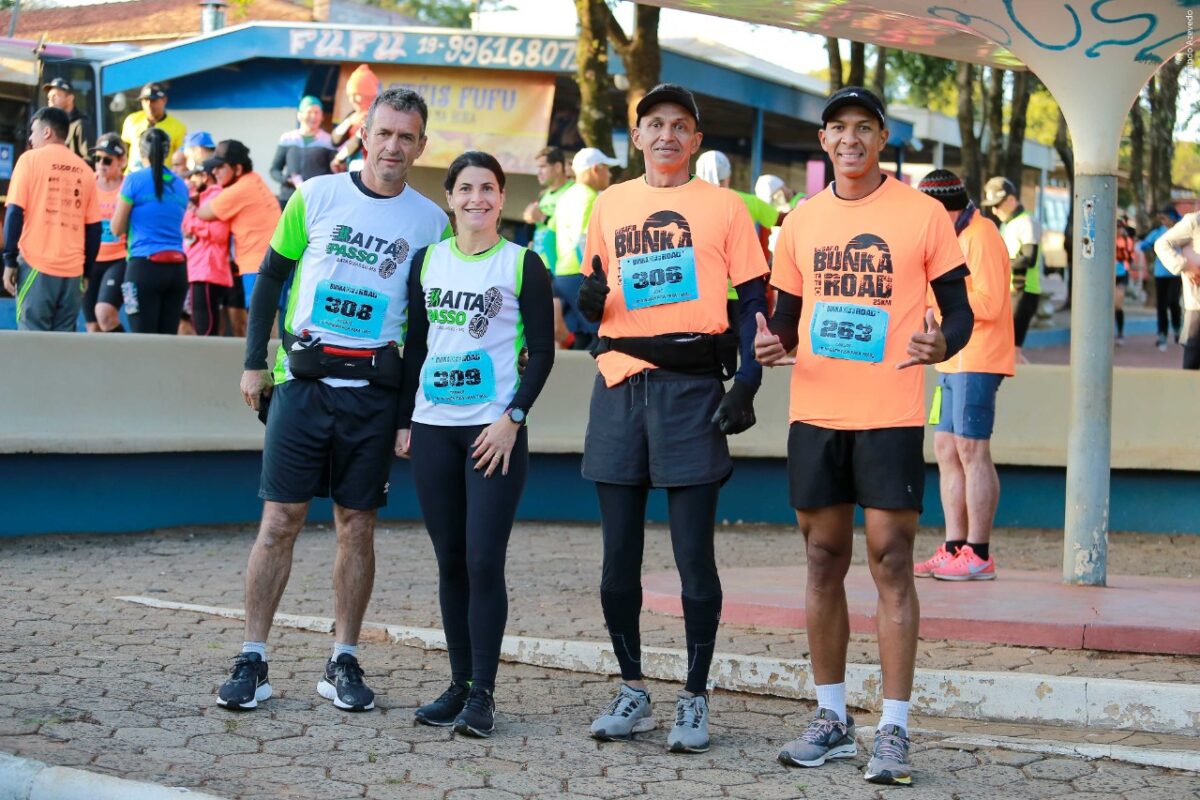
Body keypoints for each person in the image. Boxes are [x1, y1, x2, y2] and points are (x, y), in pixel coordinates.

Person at [757, 87, 973, 786]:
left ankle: (895, 730)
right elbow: (787, 323)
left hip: (890, 410)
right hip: (817, 411)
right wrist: (768, 344)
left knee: (891, 560)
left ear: (881, 138)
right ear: (823, 141)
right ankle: (831, 719)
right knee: (823, 557)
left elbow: (961, 313)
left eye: (863, 128)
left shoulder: (921, 215)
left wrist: (943, 344)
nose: (850, 139)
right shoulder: (800, 220)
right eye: (837, 129)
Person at [216, 88, 449, 713]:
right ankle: (253, 658)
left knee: (357, 527)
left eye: (407, 137)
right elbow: (270, 276)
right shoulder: (316, 194)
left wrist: (407, 416)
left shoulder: (431, 223)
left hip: (374, 396)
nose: (394, 146)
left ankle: (343, 659)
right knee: (279, 522)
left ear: (420, 146)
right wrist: (253, 362)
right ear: (364, 136)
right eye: (385, 133)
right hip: (303, 385)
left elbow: (425, 329)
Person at [576, 83, 769, 755]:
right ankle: (632, 689)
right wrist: (585, 303)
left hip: (692, 391)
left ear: (696, 141)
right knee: (615, 562)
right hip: (620, 386)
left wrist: (748, 377)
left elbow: (751, 302)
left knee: (695, 559)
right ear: (637, 138)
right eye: (654, 124)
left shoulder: (724, 208)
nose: (666, 135)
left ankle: (695, 695)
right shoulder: (609, 202)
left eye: (680, 126)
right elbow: (591, 304)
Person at [397, 151, 555, 737]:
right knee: (450, 561)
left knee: (484, 559)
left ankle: (484, 695)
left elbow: (542, 353)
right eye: (466, 189)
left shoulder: (523, 264)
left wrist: (513, 417)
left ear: (500, 197)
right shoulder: (426, 262)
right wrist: (403, 421)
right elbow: (415, 349)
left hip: (494, 432)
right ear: (449, 198)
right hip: (434, 427)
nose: (477, 199)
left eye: (488, 188)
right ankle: (459, 684)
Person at [913, 169, 1014, 582]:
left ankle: (979, 552)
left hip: (979, 358)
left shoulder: (981, 236)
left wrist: (938, 295)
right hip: (951, 360)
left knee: (972, 452)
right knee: (945, 449)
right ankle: (955, 546)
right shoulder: (949, 236)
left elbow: (988, 303)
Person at [2, 107, 101, 332]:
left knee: (32, 342)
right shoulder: (85, 171)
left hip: (37, 266)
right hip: (73, 273)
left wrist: (9, 260)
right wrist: (86, 273)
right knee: (63, 346)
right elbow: (94, 229)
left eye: (33, 131)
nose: (29, 137)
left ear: (47, 132)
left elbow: (14, 213)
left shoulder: (29, 160)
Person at [109, 128, 190, 335]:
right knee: (167, 342)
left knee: (142, 343)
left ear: (140, 150)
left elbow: (116, 229)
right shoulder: (181, 185)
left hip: (142, 268)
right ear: (167, 152)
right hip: (178, 270)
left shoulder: (134, 180)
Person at [195, 140, 283, 328]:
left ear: (237, 168)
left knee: (262, 324)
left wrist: (191, 201)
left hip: (257, 264)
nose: (214, 172)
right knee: (269, 320)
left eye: (220, 167)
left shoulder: (239, 190)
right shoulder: (254, 179)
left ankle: (263, 358)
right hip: (273, 261)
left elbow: (204, 214)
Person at [549, 147, 618, 350]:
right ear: (596, 169)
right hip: (580, 274)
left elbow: (548, 240)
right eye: (607, 168)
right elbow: (585, 240)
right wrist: (593, 276)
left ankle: (569, 380)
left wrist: (556, 270)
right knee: (603, 333)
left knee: (578, 337)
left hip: (562, 276)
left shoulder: (566, 196)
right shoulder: (590, 197)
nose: (610, 174)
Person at [981, 176, 1040, 364]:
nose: (994, 210)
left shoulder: (1027, 222)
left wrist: (997, 262)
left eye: (998, 205)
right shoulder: (1007, 225)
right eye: (992, 205)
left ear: (1011, 200)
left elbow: (1029, 258)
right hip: (1009, 291)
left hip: (1023, 291)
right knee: (1005, 348)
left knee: (1011, 350)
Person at [522, 146, 573, 345]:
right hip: (539, 266)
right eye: (537, 167)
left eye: (543, 167)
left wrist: (541, 217)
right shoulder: (544, 195)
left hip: (559, 266)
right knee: (536, 323)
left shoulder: (571, 192)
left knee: (557, 327)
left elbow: (572, 227)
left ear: (558, 167)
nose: (539, 172)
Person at [182, 166, 232, 337]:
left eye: (194, 176)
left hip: (209, 268)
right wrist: (195, 222)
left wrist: (194, 225)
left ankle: (208, 363)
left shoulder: (218, 195)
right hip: (196, 267)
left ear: (204, 176)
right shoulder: (198, 198)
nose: (191, 181)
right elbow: (185, 225)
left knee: (206, 328)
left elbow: (219, 233)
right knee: (198, 323)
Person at [86, 134, 129, 333]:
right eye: (97, 159)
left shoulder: (129, 185)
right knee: (92, 326)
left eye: (107, 160)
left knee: (105, 315)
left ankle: (131, 359)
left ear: (122, 161)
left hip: (118, 258)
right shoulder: (87, 183)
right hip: (90, 259)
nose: (101, 164)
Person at [270, 96, 336, 209]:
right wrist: (286, 180)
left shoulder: (328, 141)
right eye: (309, 112)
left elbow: (334, 173)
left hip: (317, 199)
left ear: (322, 117)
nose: (313, 116)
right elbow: (274, 170)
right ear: (299, 115)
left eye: (317, 112)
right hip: (289, 198)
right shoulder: (287, 139)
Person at [1154, 211, 1200, 370]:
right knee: (1192, 368)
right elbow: (1162, 244)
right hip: (1197, 307)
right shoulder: (1195, 221)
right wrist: (1185, 265)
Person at [1141, 205, 1184, 351]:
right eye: (1161, 218)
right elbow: (1143, 245)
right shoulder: (1158, 232)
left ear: (1172, 217)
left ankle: (1178, 329)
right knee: (1161, 305)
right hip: (1160, 274)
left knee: (1173, 301)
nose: (1163, 221)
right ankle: (1162, 334)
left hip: (1176, 273)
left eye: (1164, 218)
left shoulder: (1181, 230)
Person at [120, 82, 187, 174]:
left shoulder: (178, 127)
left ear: (164, 100)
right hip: (133, 174)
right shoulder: (132, 120)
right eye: (145, 100)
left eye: (153, 100)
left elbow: (181, 157)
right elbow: (124, 147)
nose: (149, 105)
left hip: (163, 176)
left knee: (173, 181)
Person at [331, 65, 381, 172]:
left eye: (357, 95)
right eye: (350, 95)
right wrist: (349, 122)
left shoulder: (376, 115)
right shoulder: (353, 115)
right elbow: (335, 139)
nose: (353, 100)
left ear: (369, 95)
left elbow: (358, 140)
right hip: (353, 169)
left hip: (371, 169)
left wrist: (339, 158)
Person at [43, 77, 88, 160]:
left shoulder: (80, 125)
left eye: (55, 96)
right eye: (49, 97)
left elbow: (89, 159)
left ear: (70, 99)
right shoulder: (51, 126)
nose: (51, 100)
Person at [1113, 219, 1136, 345]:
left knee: (1117, 304)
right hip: (1108, 276)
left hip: (1121, 275)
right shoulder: (1106, 239)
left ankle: (1120, 333)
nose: (1117, 230)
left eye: (1119, 228)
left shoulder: (1128, 241)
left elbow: (1130, 259)